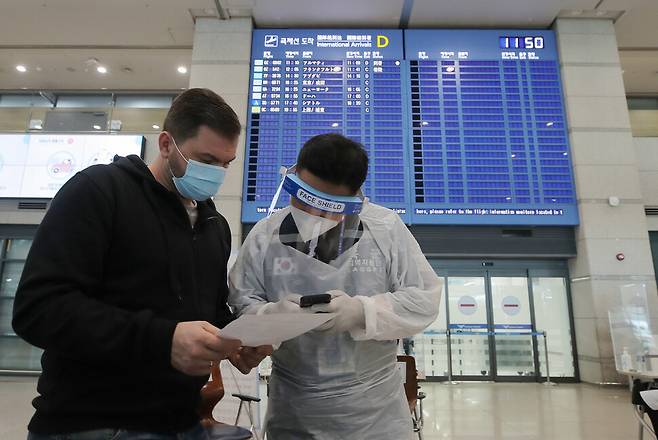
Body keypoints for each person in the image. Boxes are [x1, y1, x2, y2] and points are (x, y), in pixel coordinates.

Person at [12, 88, 272, 440]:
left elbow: (204, 311)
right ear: (166, 144)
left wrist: (236, 339)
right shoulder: (98, 192)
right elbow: (38, 309)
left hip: (182, 422)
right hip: (91, 424)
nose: (216, 174)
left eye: (225, 164)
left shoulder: (214, 225)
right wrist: (164, 340)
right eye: (206, 161)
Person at [229, 133, 443, 439]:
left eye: (327, 207)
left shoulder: (384, 229)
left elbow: (423, 299)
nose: (313, 214)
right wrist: (268, 319)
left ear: (355, 199)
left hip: (373, 416)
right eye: (303, 199)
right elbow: (241, 303)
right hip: (293, 412)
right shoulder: (265, 236)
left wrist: (362, 312)